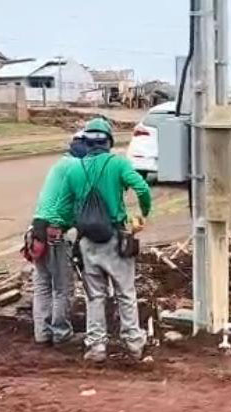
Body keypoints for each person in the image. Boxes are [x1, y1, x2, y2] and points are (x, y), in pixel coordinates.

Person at [63, 118, 152, 363]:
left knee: (95, 296)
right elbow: (142, 189)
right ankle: (134, 343)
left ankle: (96, 347)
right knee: (125, 292)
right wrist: (143, 213)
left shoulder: (74, 169)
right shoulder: (118, 164)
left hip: (87, 242)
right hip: (115, 238)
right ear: (108, 141)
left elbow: (68, 206)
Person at [28, 132, 88, 346]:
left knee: (43, 284)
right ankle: (61, 333)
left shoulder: (59, 165)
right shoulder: (77, 168)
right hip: (55, 232)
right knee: (62, 287)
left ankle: (42, 333)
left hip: (36, 230)